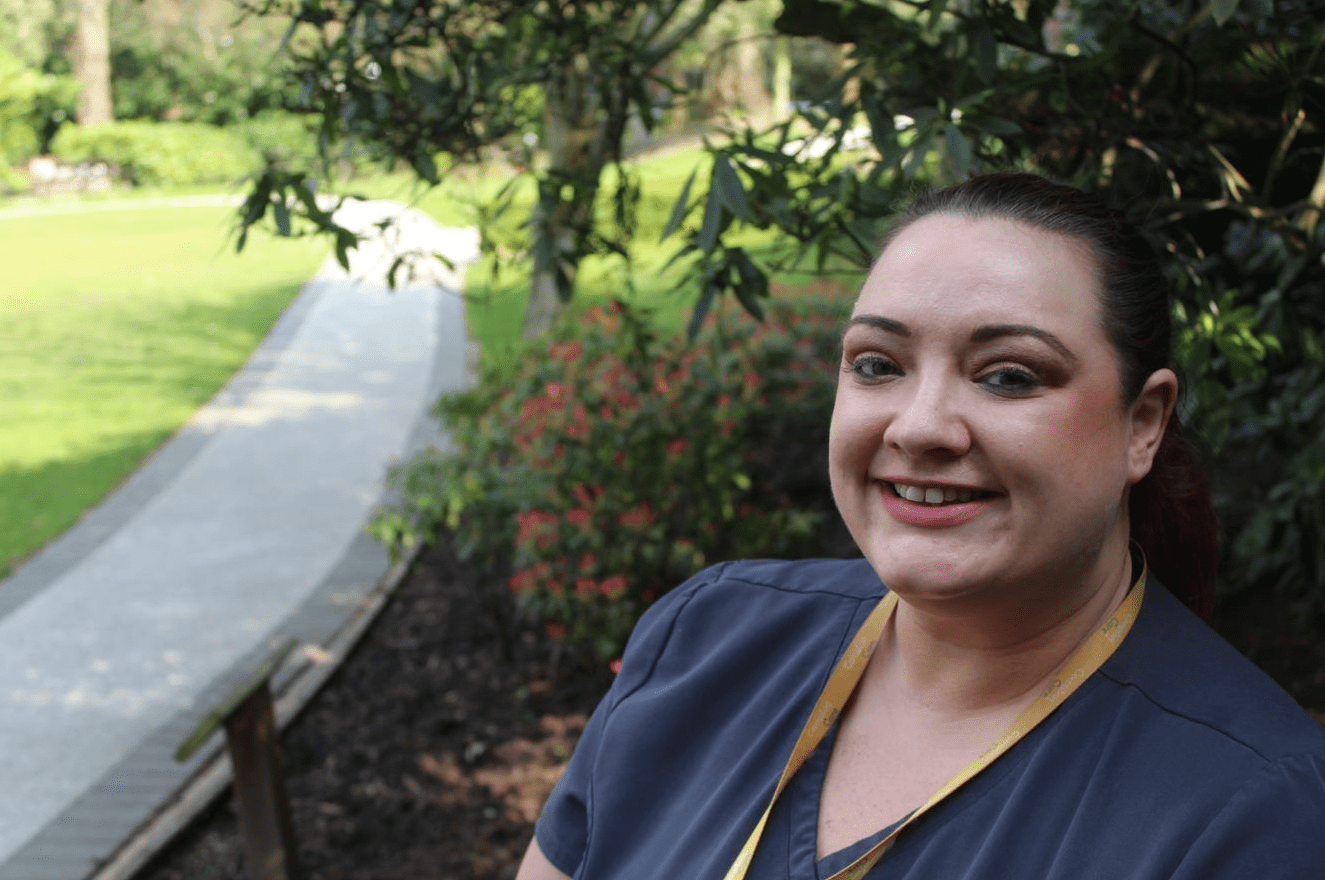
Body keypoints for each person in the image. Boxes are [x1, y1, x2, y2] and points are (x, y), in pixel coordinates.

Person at [514, 173, 1325, 880]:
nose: (920, 426)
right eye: (877, 365)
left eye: (1009, 376)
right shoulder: (706, 641)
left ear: (1141, 423)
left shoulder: (1252, 812)